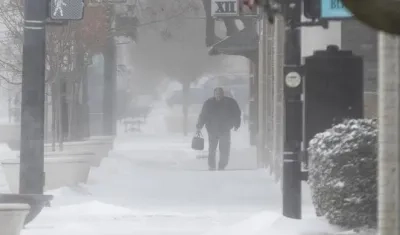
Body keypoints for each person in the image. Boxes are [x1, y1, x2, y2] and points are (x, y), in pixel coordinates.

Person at [196, 87, 241, 171]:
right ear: (214, 94)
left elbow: (236, 113)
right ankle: (212, 165)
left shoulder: (230, 103)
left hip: (225, 129)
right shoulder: (208, 103)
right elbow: (203, 115)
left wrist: (236, 124)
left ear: (223, 94)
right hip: (212, 129)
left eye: (220, 94)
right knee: (212, 148)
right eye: (217, 94)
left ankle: (222, 165)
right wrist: (199, 126)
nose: (218, 96)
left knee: (224, 148)